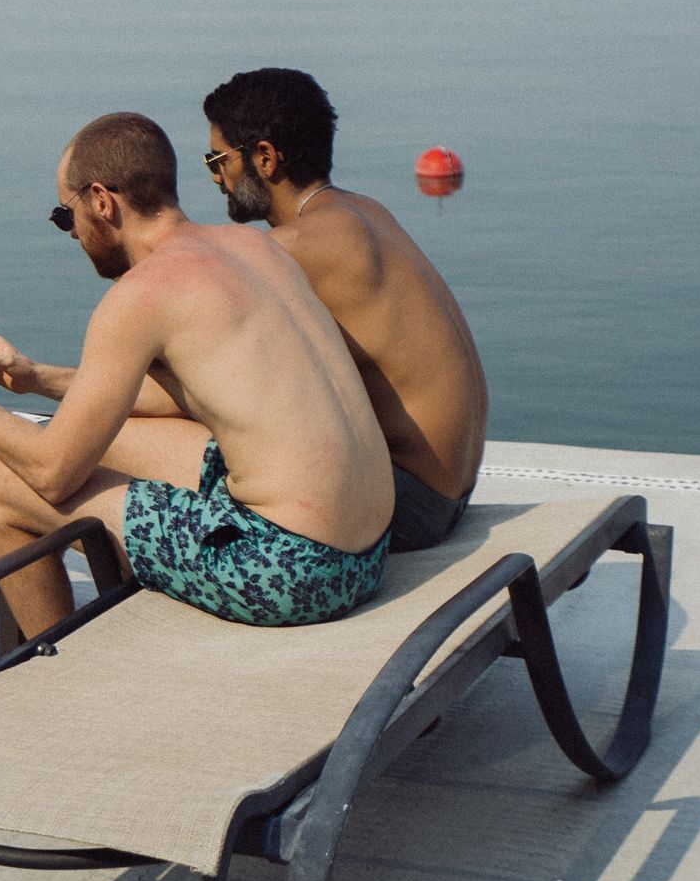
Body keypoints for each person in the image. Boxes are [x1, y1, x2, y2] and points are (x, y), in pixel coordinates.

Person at [0, 112, 395, 640]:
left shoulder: (140, 294)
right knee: (111, 439)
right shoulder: (255, 248)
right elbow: (195, 394)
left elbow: (51, 474)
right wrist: (36, 376)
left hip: (291, 568)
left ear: (103, 202)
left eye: (67, 216)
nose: (73, 233)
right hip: (370, 547)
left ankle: (53, 681)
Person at [200, 67, 488, 548]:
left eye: (217, 159)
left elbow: (204, 381)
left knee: (163, 457)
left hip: (411, 507)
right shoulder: (367, 212)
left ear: (265, 159)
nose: (215, 177)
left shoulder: (294, 248)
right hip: (453, 489)